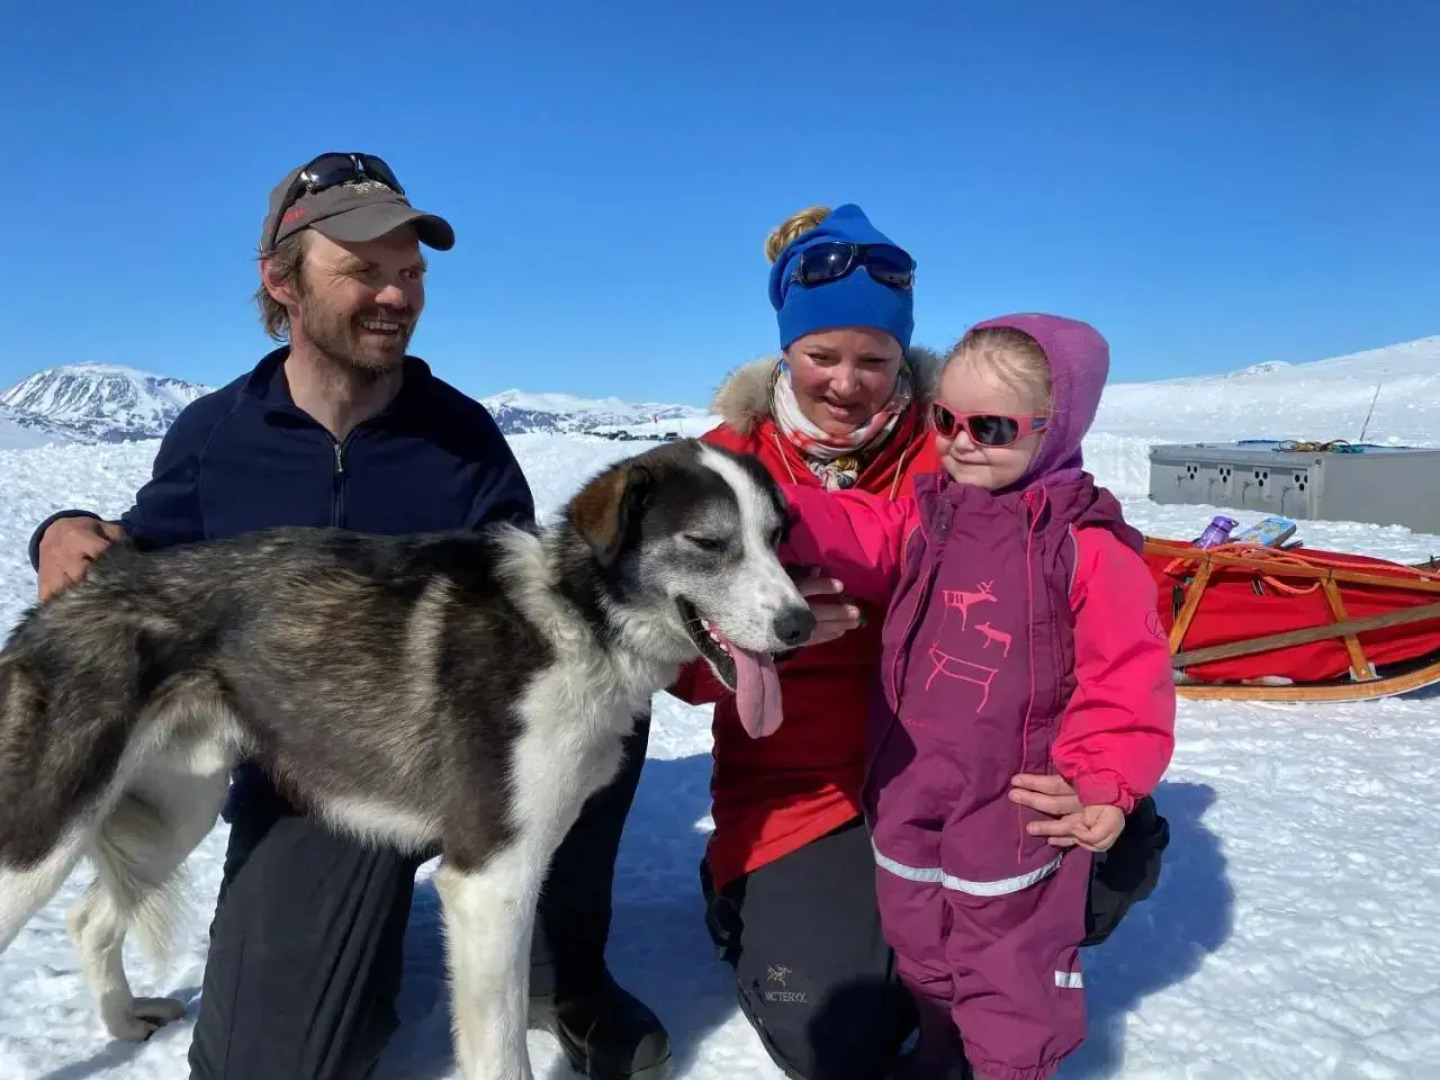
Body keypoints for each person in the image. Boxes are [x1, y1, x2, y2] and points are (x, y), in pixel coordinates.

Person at [29, 153, 670, 1080]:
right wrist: (56, 530)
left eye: (410, 272)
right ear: (281, 280)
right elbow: (152, 567)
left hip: (451, 756)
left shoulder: (460, 437)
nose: (394, 295)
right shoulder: (216, 436)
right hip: (307, 779)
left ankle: (559, 967)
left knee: (596, 693)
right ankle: (351, 958)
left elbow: (540, 615)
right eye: (363, 268)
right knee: (272, 1061)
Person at [669, 205, 1171, 1080]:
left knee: (1074, 883)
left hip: (965, 772)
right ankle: (758, 900)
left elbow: (1117, 659)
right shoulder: (726, 467)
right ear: (784, 348)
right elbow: (678, 653)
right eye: (823, 356)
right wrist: (758, 598)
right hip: (809, 787)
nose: (849, 383)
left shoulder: (956, 459)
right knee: (845, 1035)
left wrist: (1108, 778)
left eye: (876, 360)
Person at [778, 313, 1178, 1080]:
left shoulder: (1084, 547)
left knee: (1009, 967)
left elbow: (1127, 680)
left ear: (1054, 429)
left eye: (990, 426)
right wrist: (767, 505)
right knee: (920, 941)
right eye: (946, 420)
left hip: (1015, 802)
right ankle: (940, 1053)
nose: (961, 442)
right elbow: (856, 530)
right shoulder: (928, 514)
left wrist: (1103, 781)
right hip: (910, 784)